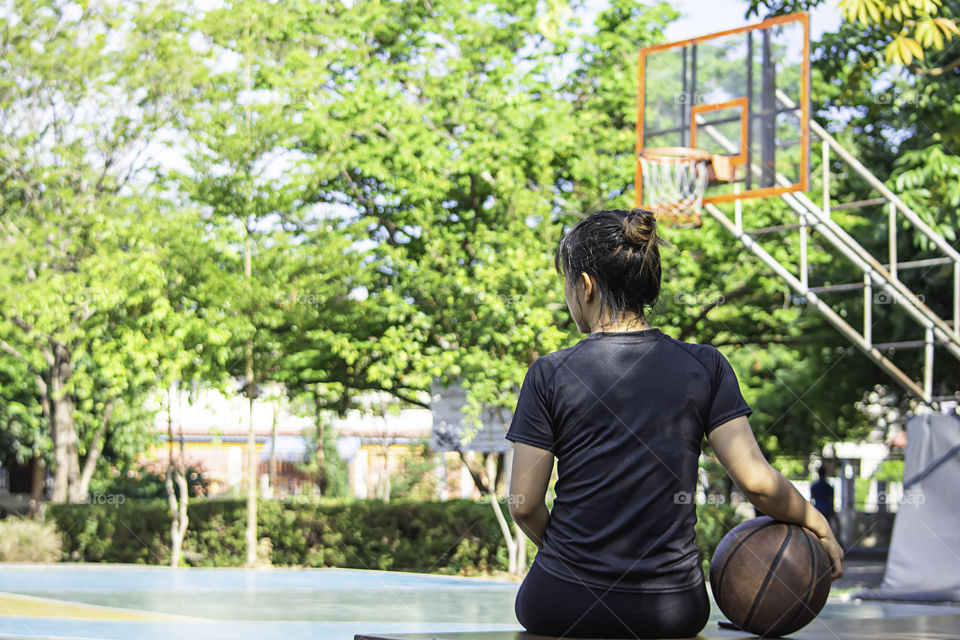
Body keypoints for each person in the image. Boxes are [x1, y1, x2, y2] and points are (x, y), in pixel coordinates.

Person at [505, 209, 844, 639]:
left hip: (558, 604)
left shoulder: (549, 374)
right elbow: (757, 483)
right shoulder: (705, 366)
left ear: (585, 286)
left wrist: (571, 561)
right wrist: (817, 523)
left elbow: (523, 504)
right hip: (672, 610)